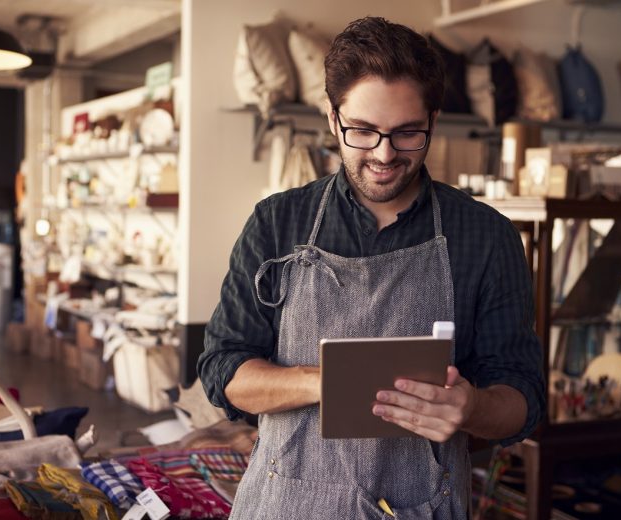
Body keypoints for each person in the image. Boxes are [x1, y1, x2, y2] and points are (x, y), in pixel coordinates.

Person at [198, 16, 545, 519]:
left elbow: (523, 400)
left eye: (408, 133)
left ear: (434, 118)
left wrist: (471, 408)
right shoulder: (277, 222)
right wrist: (328, 382)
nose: (384, 154)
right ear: (332, 118)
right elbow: (222, 371)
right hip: (285, 505)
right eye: (363, 131)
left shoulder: (486, 235)